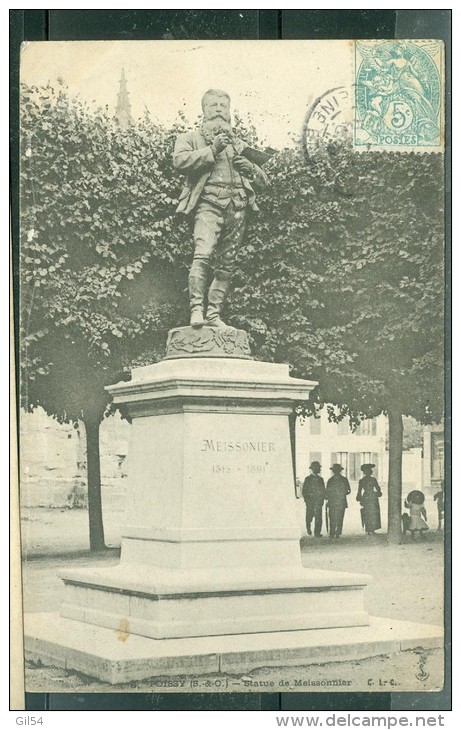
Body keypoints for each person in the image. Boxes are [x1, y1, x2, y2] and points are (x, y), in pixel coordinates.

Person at [173, 89, 269, 329]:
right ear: (204, 111)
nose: (219, 110)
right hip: (208, 205)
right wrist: (213, 150)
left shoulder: (240, 145)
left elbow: (264, 181)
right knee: (202, 254)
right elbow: (180, 161)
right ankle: (196, 309)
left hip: (238, 208)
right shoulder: (190, 138)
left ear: (229, 112)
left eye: (223, 106)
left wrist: (250, 167)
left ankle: (214, 315)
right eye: (213, 106)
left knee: (226, 265)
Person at [325, 464, 351, 539]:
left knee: (340, 517)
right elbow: (327, 491)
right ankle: (332, 532)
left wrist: (342, 493)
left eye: (337, 470)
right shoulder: (330, 480)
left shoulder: (344, 480)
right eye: (334, 470)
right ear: (333, 471)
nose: (336, 472)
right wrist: (327, 497)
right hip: (332, 501)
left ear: (340, 471)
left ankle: (338, 532)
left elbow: (349, 490)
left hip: (341, 501)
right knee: (332, 517)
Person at [356, 463, 382, 535]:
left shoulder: (362, 480)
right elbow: (378, 489)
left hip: (366, 497)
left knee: (367, 513)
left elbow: (359, 491)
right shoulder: (373, 480)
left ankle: (368, 529)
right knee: (373, 513)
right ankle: (372, 529)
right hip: (373, 497)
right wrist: (378, 493)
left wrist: (360, 498)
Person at [302, 461, 326, 537]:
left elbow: (323, 490)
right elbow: (304, 491)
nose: (319, 469)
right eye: (317, 468)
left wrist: (322, 499)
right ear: (313, 469)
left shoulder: (321, 479)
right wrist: (307, 500)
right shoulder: (308, 479)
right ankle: (308, 526)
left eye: (319, 468)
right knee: (309, 516)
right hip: (310, 501)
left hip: (318, 501)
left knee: (318, 517)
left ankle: (317, 532)